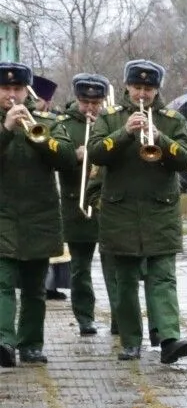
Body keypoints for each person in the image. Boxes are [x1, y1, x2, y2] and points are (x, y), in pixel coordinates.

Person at [92, 61, 187, 364]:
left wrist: (158, 137)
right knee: (124, 282)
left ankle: (168, 340)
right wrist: (125, 132)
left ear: (157, 90)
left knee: (162, 278)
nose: (142, 93)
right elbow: (97, 153)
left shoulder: (172, 119)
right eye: (137, 87)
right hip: (120, 211)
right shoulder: (110, 118)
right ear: (126, 86)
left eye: (148, 88)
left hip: (159, 210)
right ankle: (130, 341)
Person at [0, 62, 63, 367]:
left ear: (27, 91)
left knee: (35, 288)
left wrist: (40, 137)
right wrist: (6, 129)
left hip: (39, 215)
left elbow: (66, 157)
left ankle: (31, 345)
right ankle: (3, 342)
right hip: (2, 214)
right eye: (6, 89)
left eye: (17, 89)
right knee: (2, 282)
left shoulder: (48, 120)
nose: (12, 95)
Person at [45, 74, 112, 339]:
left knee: (114, 268)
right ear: (77, 99)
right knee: (80, 268)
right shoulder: (62, 125)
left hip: (108, 206)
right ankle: (85, 318)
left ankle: (120, 318)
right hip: (76, 205)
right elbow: (52, 160)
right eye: (85, 102)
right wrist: (75, 155)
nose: (90, 108)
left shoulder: (111, 122)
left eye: (96, 103)